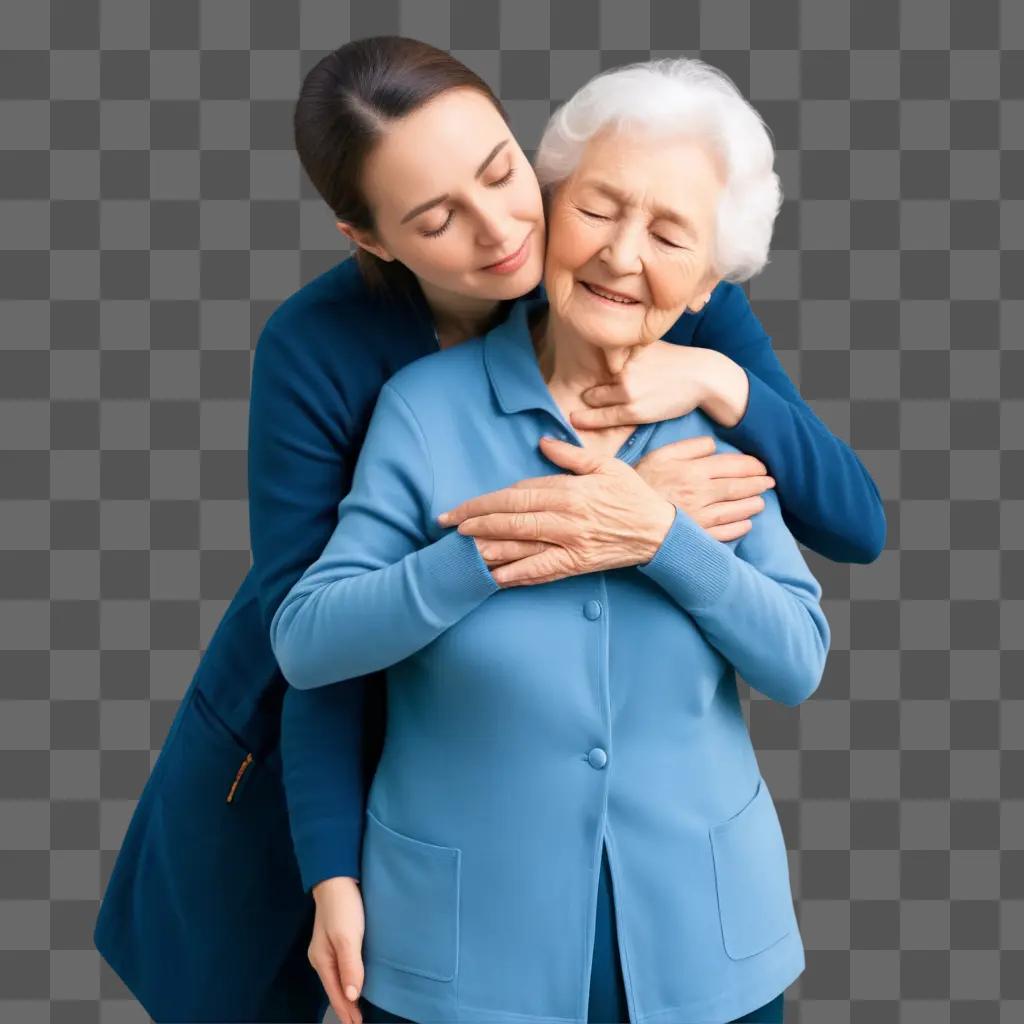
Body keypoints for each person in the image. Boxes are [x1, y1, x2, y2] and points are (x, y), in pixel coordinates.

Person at [91, 36, 883, 1024]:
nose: (503, 227)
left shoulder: (662, 286)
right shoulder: (347, 364)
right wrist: (332, 868)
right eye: (435, 216)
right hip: (388, 782)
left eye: (503, 172)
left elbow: (845, 542)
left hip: (682, 899)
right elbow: (310, 643)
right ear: (371, 237)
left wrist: (717, 397)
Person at [269, 53, 832, 1024]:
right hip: (462, 949)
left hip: (706, 941)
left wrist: (660, 534)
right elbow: (307, 640)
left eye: (668, 234)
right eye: (600, 209)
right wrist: (499, 545)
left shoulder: (710, 420)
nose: (621, 255)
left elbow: (795, 660)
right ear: (558, 202)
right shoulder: (418, 407)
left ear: (707, 286)